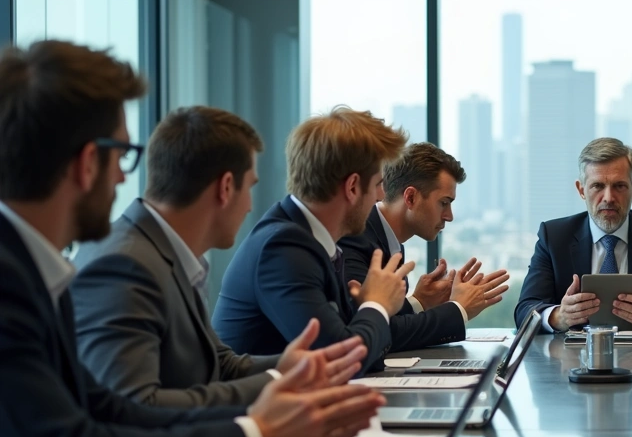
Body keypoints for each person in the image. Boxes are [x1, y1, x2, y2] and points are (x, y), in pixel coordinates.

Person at [0, 40, 383, 437]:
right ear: (88, 162)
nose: (124, 177)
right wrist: (257, 436)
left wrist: (277, 391)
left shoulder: (36, 270)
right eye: (123, 156)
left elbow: (108, 408)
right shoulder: (40, 277)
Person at [71, 107, 361, 408]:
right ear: (225, 187)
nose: (250, 206)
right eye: (249, 187)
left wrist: (293, 368)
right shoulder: (126, 265)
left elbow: (218, 365)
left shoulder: (166, 252)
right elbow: (136, 404)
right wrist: (277, 381)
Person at [213, 108, 506, 372]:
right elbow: (344, 358)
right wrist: (377, 305)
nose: (380, 196)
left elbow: (360, 342)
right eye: (378, 184)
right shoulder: (284, 249)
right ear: (353, 187)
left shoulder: (307, 239)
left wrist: (385, 306)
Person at [515, 137, 632, 333]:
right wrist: (558, 316)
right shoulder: (554, 237)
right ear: (581, 189)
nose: (608, 198)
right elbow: (525, 311)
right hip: (572, 351)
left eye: (619, 186)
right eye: (597, 186)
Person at [338, 141, 507, 324]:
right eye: (444, 203)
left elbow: (387, 319)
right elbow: (379, 328)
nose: (449, 216)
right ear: (411, 198)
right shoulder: (354, 239)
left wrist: (420, 302)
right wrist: (458, 309)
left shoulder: (388, 240)